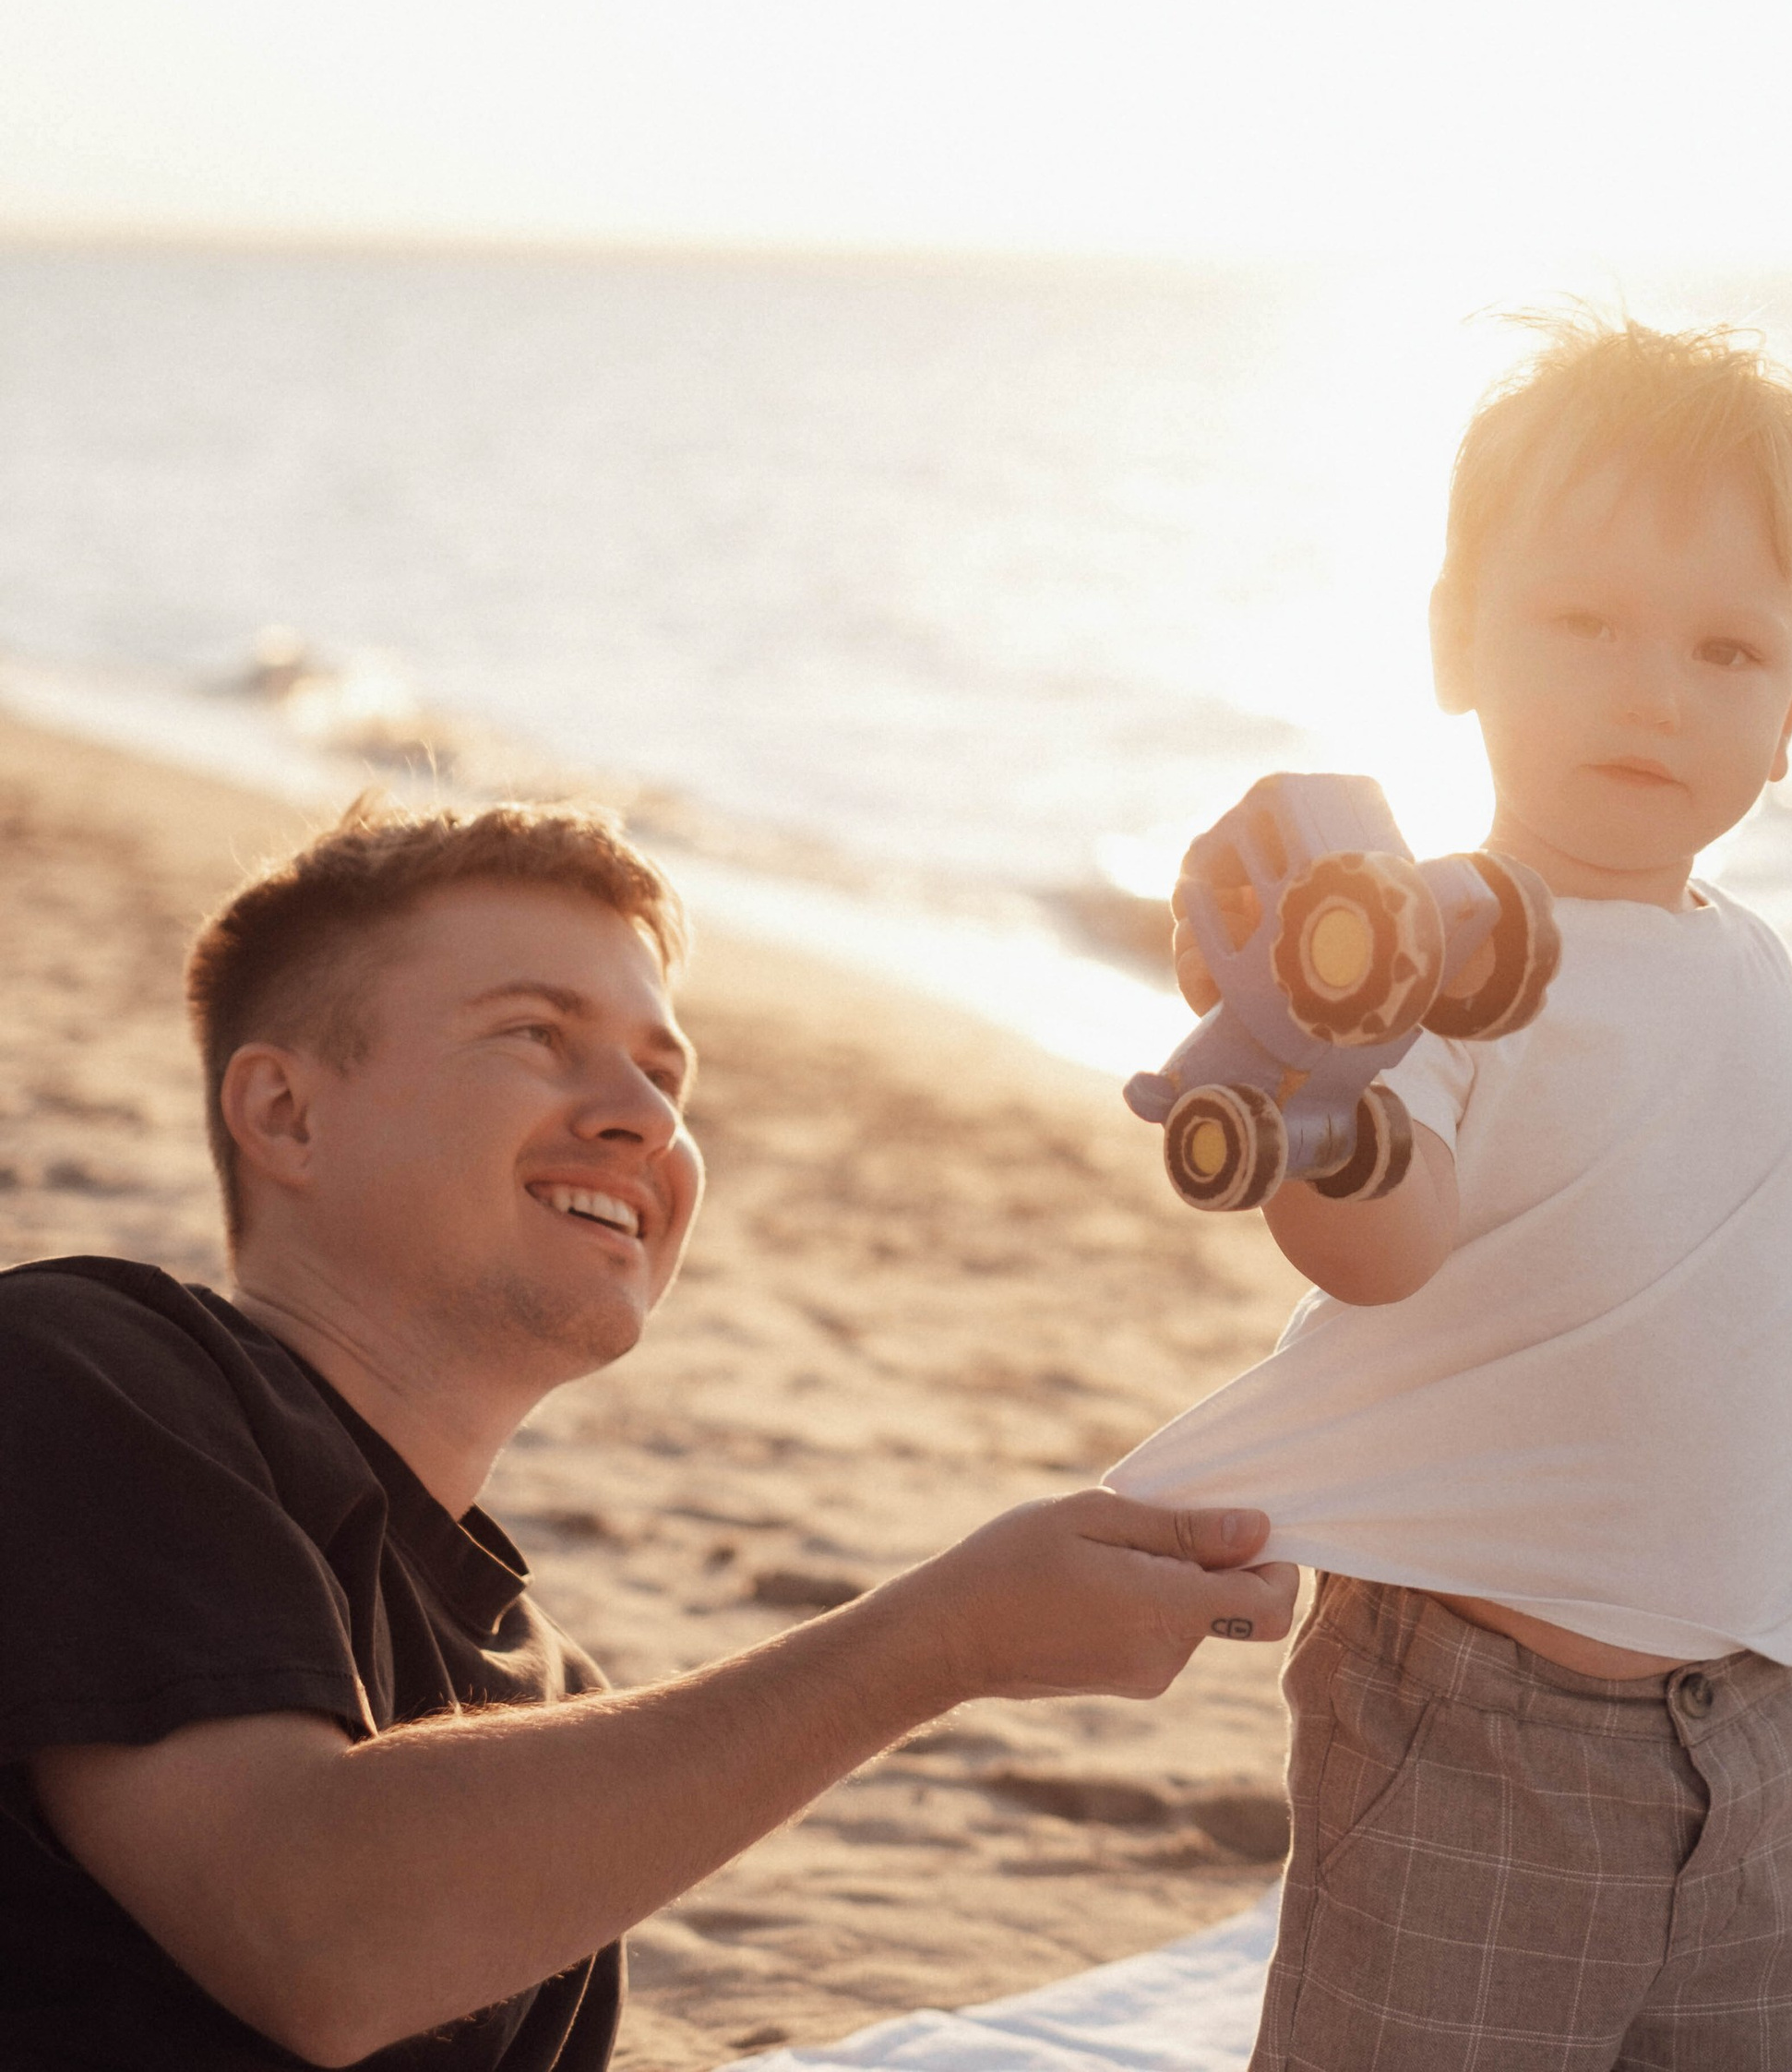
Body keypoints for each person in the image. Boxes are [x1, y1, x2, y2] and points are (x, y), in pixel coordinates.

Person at [0, 800, 1296, 2072]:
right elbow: (318, 1935)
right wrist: (944, 1640)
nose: (645, 1115)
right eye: (535, 1034)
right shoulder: (86, 1367)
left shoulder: (549, 1700)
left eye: (665, 1073)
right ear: (285, 1114)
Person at [1108, 311, 1792, 2072]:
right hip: (1485, 1720)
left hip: (1758, 1728)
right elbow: (1385, 1245)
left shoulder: (1756, 962)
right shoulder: (1442, 947)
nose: (1655, 691)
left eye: (1726, 650)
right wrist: (1333, 1110)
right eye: (1585, 625)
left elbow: (1779, 1271)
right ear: (1454, 641)